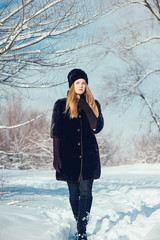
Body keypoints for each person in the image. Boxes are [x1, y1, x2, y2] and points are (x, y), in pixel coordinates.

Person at [50, 69, 104, 240]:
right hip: (68, 156)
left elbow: (96, 126)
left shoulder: (93, 103)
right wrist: (56, 157)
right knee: (74, 194)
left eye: (83, 83)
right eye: (77, 83)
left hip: (88, 157)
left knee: (86, 192)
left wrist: (84, 105)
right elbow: (56, 133)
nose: (81, 86)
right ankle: (79, 221)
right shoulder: (61, 104)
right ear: (71, 85)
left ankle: (82, 230)